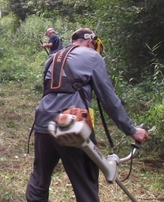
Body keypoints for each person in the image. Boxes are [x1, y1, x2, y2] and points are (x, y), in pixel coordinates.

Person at [26, 28, 149, 202]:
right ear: (90, 41)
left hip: (44, 121)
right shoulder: (93, 56)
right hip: (72, 125)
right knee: (86, 184)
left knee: (39, 179)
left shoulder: (52, 57)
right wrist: (131, 130)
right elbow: (109, 99)